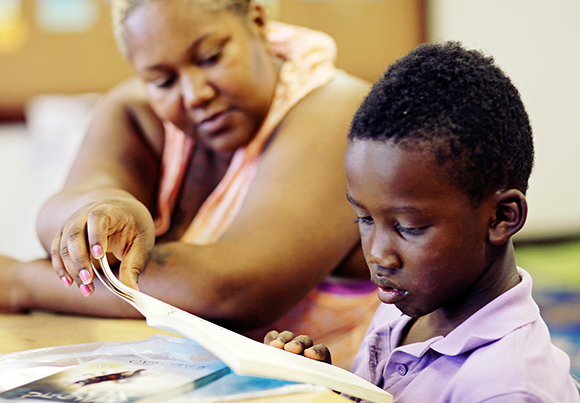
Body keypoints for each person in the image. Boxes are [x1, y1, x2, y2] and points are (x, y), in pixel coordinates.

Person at [0, 0, 378, 369]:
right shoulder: (138, 111)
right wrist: (107, 207)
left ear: (258, 21)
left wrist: (21, 281)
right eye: (163, 80)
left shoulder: (337, 111)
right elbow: (62, 223)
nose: (196, 94)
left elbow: (231, 290)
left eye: (211, 57)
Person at [266, 41, 580, 402]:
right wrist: (324, 389)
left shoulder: (508, 388)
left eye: (409, 227)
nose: (380, 255)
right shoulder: (403, 307)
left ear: (501, 217)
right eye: (364, 218)